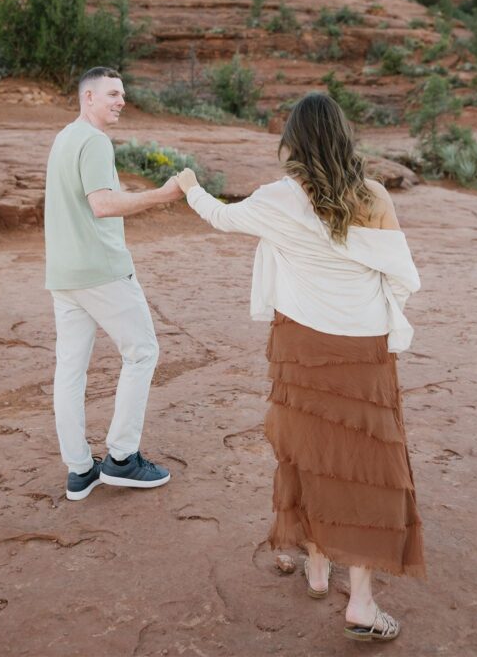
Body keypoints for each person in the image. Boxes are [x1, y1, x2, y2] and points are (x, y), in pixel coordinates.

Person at [176, 92, 425, 644]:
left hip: (302, 345)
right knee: (365, 466)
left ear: (295, 141)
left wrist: (189, 184)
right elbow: (401, 275)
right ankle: (359, 601)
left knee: (311, 453)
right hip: (362, 349)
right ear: (343, 137)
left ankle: (318, 567)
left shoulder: (278, 199)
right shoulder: (375, 196)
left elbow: (218, 215)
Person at [45, 66, 183, 500]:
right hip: (101, 272)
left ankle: (80, 470)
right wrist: (163, 195)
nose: (121, 101)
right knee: (142, 351)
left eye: (122, 94)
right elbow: (102, 205)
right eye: (112, 94)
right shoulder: (94, 141)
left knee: (70, 371)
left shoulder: (64, 137)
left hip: (63, 276)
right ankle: (122, 459)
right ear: (88, 97)